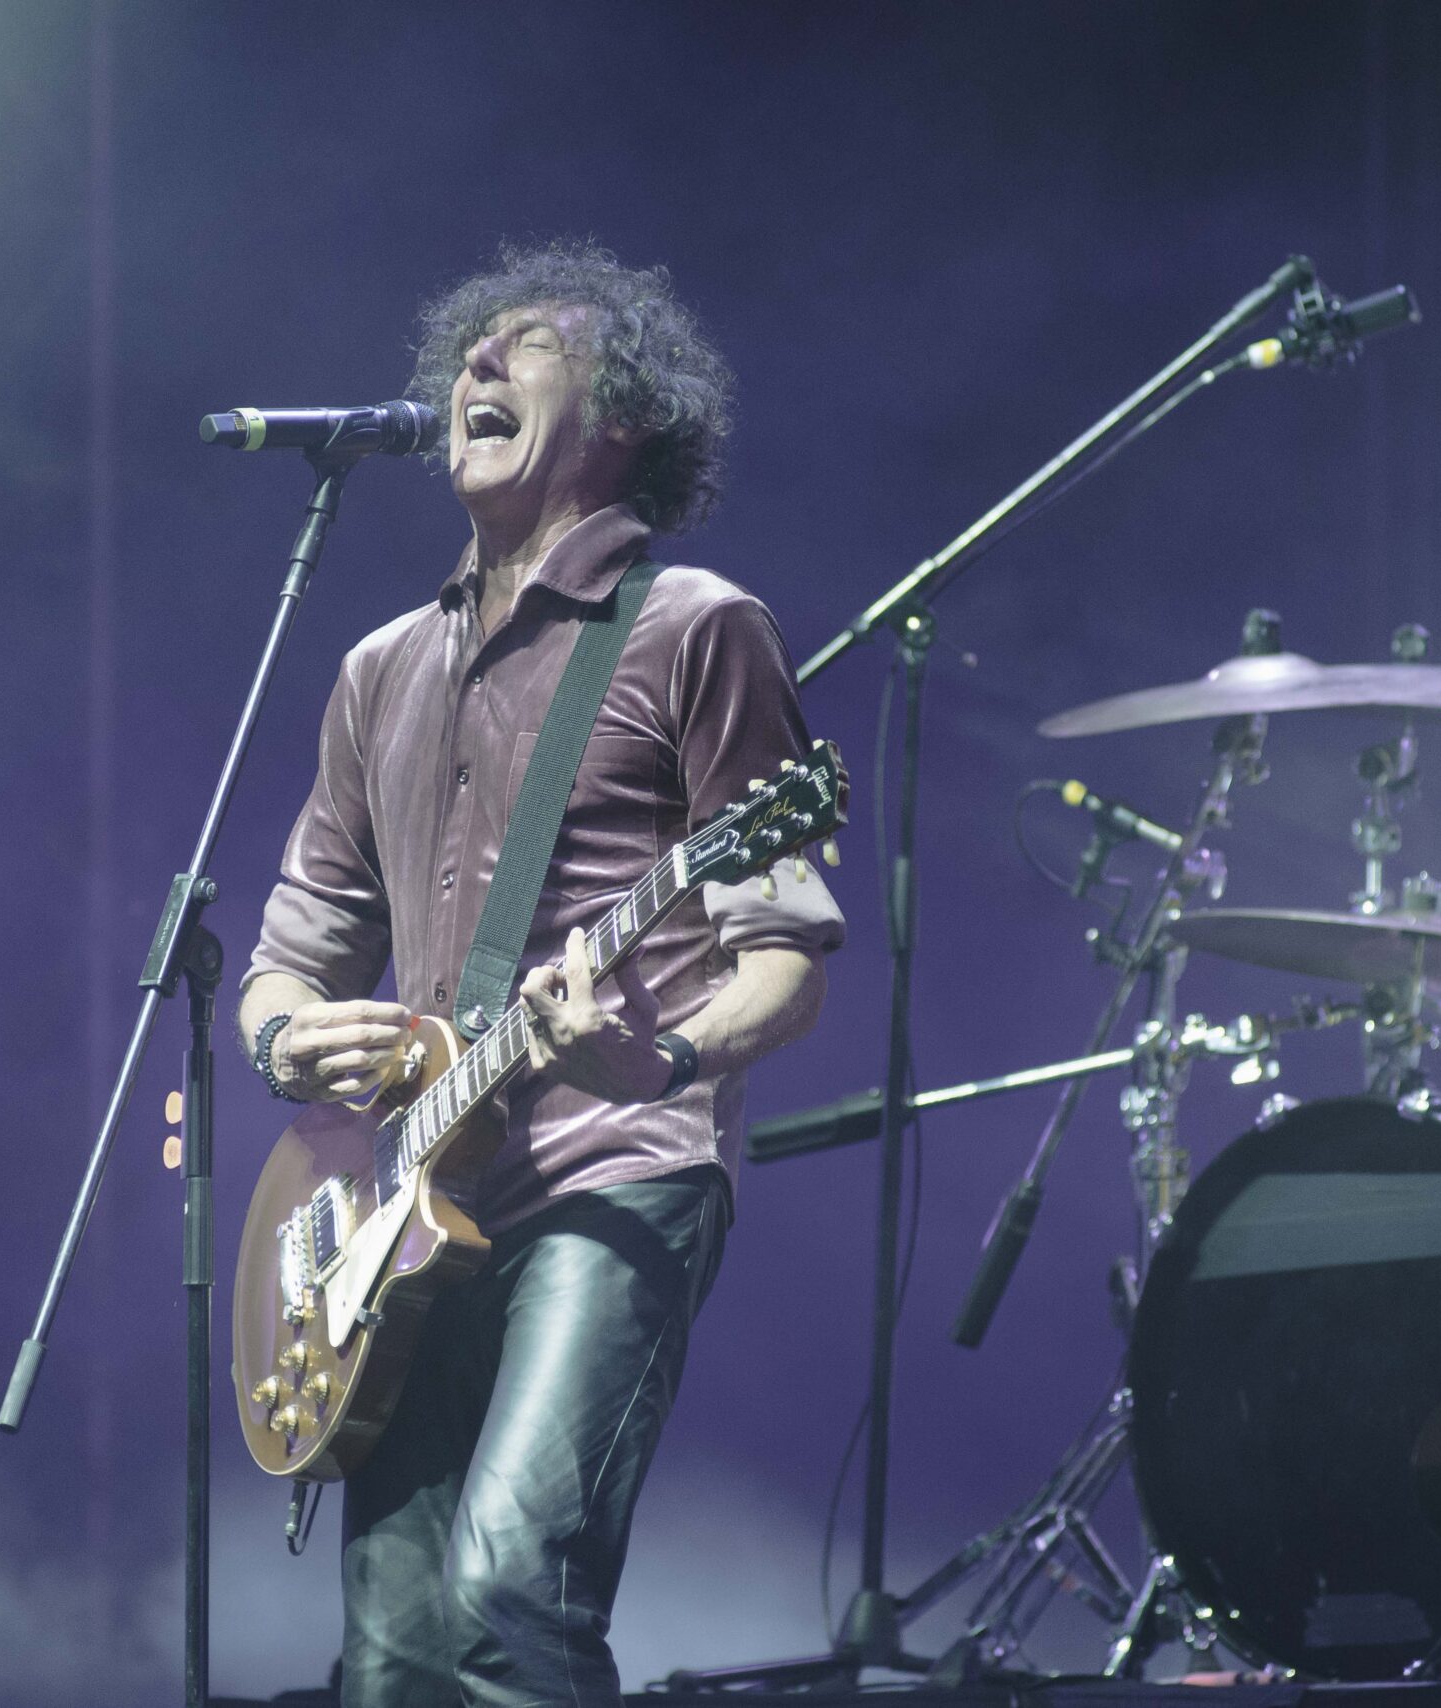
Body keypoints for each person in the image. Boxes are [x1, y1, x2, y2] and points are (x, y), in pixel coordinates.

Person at [237, 239, 843, 1708]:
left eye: (526, 347)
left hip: (613, 1170)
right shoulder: (380, 667)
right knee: (393, 1657)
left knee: (514, 1584)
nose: (475, 366)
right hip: (399, 1210)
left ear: (623, 414)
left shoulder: (698, 628)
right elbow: (283, 967)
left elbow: (787, 959)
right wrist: (289, 1045)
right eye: (466, 350)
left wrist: (663, 1055)